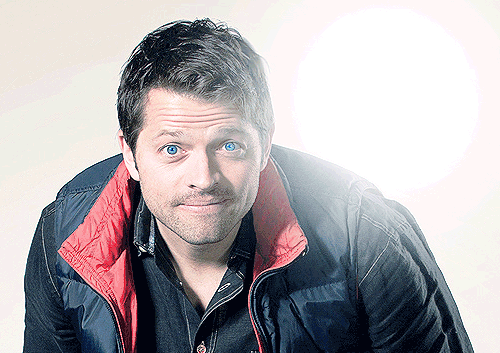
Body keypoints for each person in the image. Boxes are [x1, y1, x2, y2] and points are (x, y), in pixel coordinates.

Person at [24, 19, 473, 353]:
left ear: (265, 144)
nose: (204, 178)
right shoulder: (65, 236)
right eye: (172, 149)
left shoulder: (365, 234)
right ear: (129, 154)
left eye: (229, 145)